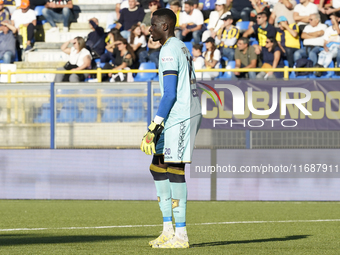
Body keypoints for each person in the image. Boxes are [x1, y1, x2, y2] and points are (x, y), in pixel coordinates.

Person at [140, 8, 201, 248]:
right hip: (177, 114)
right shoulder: (180, 45)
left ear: (164, 26)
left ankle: (181, 235)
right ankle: (167, 229)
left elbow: (169, 93)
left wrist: (154, 126)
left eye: (153, 25)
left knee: (174, 168)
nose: (149, 29)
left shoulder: (167, 50)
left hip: (181, 115)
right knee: (158, 166)